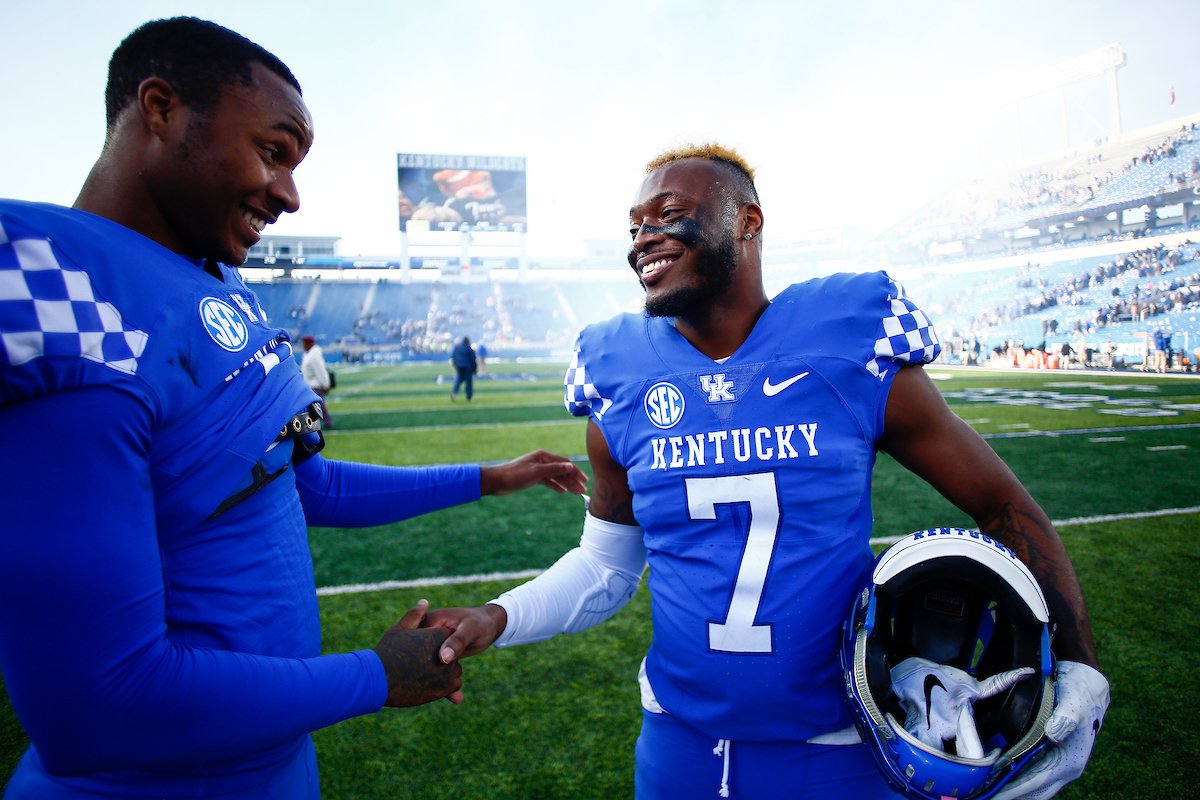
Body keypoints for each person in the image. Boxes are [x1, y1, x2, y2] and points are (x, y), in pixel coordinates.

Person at [0, 18, 587, 799]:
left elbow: (298, 485)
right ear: (160, 108)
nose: (289, 192)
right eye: (272, 151)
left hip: (270, 765)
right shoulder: (65, 297)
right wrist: (373, 676)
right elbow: (96, 708)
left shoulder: (213, 280)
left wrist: (489, 477)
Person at [425, 144, 1108, 799]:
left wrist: (1079, 665)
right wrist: (497, 616)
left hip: (840, 750)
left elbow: (1001, 506)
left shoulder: (845, 342)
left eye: (667, 214)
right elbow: (606, 568)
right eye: (634, 226)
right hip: (675, 745)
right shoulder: (617, 374)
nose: (642, 238)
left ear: (747, 221)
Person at [300, 334, 333, 427]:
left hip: (315, 385)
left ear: (308, 344)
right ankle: (320, 423)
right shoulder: (308, 354)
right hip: (310, 384)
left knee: (318, 406)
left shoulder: (314, 356)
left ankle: (327, 422)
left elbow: (320, 370)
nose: (303, 346)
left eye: (304, 344)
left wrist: (325, 384)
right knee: (314, 406)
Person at [451, 335, 477, 402]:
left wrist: (455, 365)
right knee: (468, 383)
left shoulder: (458, 347)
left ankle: (454, 391)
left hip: (459, 366)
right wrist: (475, 368)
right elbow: (473, 358)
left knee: (459, 380)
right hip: (467, 367)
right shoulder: (468, 348)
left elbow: (454, 356)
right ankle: (469, 398)